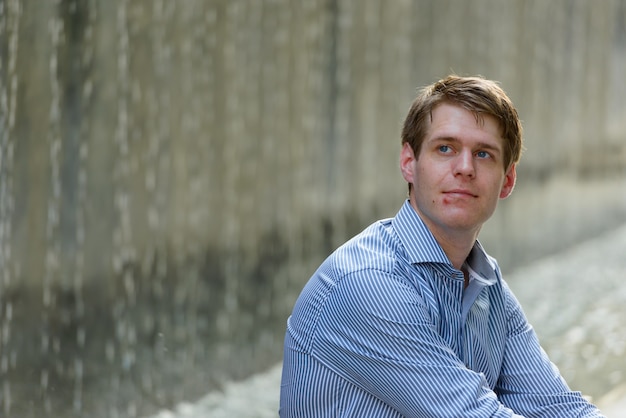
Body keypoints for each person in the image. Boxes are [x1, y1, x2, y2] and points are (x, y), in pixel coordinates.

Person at [279, 75, 604, 417]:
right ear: (409, 163)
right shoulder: (367, 283)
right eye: (445, 148)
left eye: (484, 154)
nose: (465, 168)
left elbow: (558, 407)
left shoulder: (488, 287)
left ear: (507, 181)